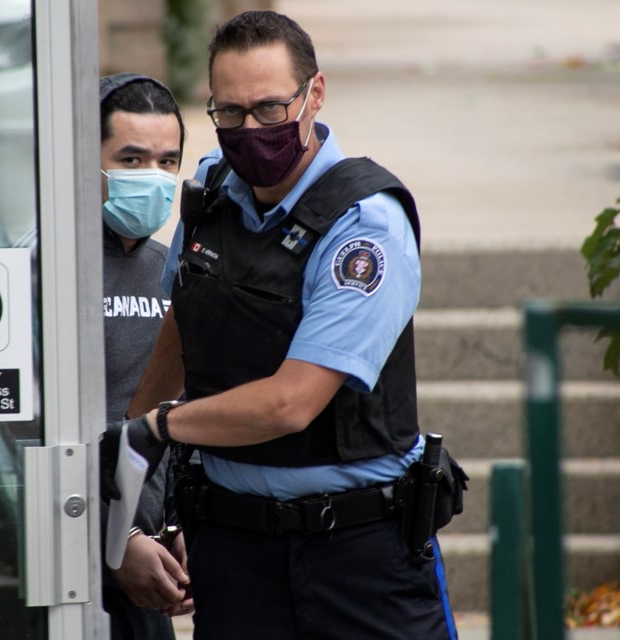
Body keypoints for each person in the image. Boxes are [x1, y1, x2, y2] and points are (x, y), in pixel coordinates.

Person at [109, 10, 461, 640]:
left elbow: (291, 405)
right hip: (230, 549)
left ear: (314, 95)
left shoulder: (365, 224)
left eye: (270, 110)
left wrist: (158, 427)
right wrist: (138, 511)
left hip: (357, 555)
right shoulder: (210, 192)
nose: (251, 130)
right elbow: (180, 332)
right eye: (231, 113)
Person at [97, 72, 193, 640]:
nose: (151, 178)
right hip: (64, 556)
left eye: (166, 161)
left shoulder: (175, 269)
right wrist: (117, 541)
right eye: (131, 160)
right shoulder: (42, 271)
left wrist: (180, 521)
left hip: (147, 563)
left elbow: (183, 412)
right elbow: (18, 436)